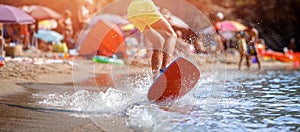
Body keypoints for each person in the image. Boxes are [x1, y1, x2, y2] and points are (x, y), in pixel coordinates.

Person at [127, 0, 177, 79]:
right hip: (144, 5)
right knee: (171, 35)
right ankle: (165, 69)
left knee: (158, 42)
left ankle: (156, 77)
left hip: (132, 11)